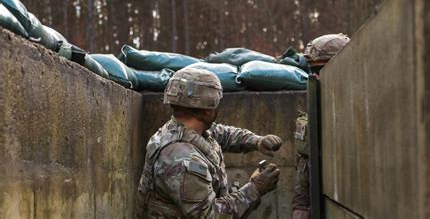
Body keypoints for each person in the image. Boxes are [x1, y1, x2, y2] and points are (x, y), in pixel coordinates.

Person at [137, 67, 283, 218]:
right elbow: (210, 215)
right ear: (208, 111)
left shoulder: (183, 128)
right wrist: (255, 189)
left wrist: (257, 141)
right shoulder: (182, 159)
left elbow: (223, 133)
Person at [292, 33, 350, 219]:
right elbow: (304, 163)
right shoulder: (313, 110)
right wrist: (300, 207)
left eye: (322, 69)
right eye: (312, 70)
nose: (316, 76)